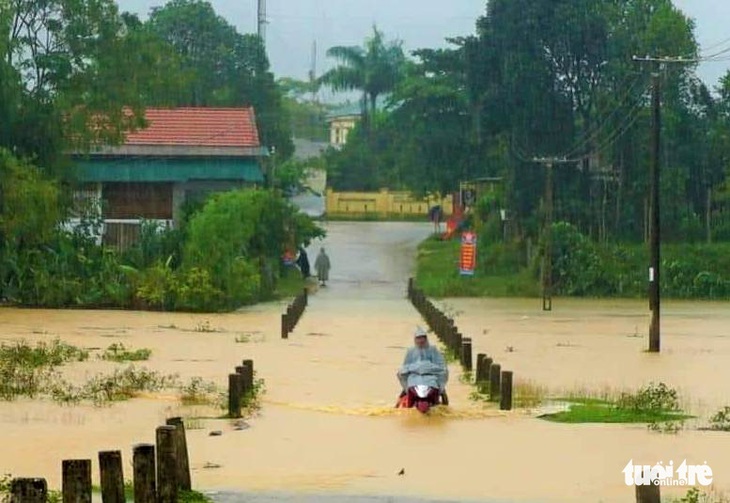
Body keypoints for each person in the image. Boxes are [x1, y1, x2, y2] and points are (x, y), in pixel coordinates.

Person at [397, 327, 448, 397]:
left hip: (431, 375)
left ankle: (441, 393)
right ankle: (405, 393)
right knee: (400, 374)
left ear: (426, 339)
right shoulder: (411, 351)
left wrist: (428, 367)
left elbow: (441, 365)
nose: (420, 340)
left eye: (422, 338)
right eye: (418, 338)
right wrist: (414, 368)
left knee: (443, 376)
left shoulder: (433, 349)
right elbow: (405, 365)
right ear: (415, 339)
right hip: (414, 375)